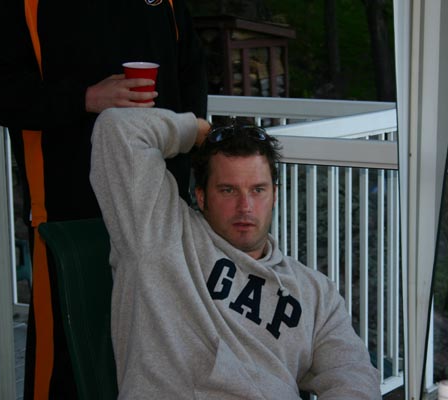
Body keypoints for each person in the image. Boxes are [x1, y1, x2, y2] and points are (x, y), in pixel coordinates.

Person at [0, 0, 207, 398]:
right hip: (67, 214)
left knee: (160, 357)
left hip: (161, 212)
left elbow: (191, 76)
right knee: (67, 362)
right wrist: (85, 98)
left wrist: (197, 146)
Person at [89, 107, 382, 399]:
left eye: (257, 190)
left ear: (274, 195)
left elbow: (353, 373)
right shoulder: (160, 232)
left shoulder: (315, 293)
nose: (245, 207)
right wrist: (199, 132)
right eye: (228, 190)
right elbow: (118, 129)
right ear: (201, 196)